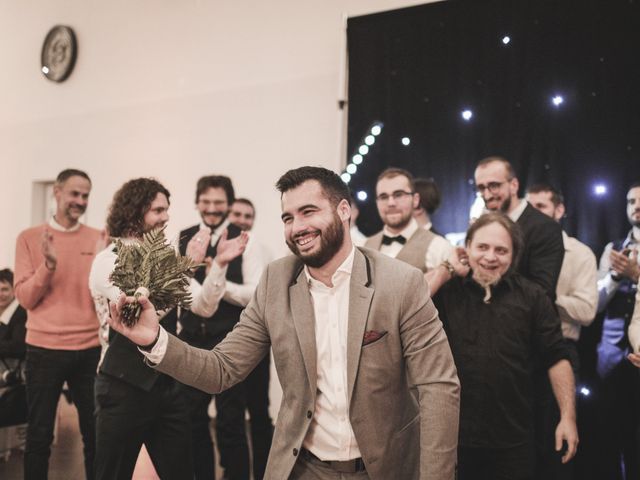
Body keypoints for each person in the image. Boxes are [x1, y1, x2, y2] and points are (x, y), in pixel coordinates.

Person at [108, 166, 461, 480]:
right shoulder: (277, 281)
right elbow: (222, 368)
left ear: (342, 211)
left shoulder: (400, 282)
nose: (297, 227)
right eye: (288, 218)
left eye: (308, 212)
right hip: (303, 467)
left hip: (383, 468)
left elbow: (438, 386)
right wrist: (154, 338)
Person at [89, 177, 247, 480]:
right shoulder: (107, 261)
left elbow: (203, 306)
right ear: (135, 212)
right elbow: (136, 311)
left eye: (167, 209)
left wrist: (221, 264)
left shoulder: (168, 261)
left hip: (169, 383)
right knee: (112, 473)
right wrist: (184, 268)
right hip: (122, 385)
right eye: (158, 210)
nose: (166, 217)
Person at [427, 212, 578, 480]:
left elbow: (558, 358)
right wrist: (446, 268)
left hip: (514, 441)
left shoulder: (533, 297)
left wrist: (568, 417)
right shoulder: (448, 292)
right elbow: (408, 302)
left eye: (501, 250)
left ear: (514, 255)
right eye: (482, 247)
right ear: (467, 248)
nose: (490, 257)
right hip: (450, 439)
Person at [176, 176, 271, 480]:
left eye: (218, 202)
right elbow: (178, 289)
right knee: (192, 419)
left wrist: (216, 276)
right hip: (191, 340)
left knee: (230, 423)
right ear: (197, 203)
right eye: (206, 201)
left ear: (229, 205)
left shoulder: (247, 241)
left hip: (230, 342)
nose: (212, 208)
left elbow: (254, 294)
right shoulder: (184, 237)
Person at [14, 168, 101, 480]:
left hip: (89, 351)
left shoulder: (98, 238)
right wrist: (48, 266)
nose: (80, 201)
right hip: (43, 350)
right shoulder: (28, 238)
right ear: (57, 192)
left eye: (85, 195)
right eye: (74, 194)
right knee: (38, 436)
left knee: (96, 436)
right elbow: (24, 298)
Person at [593, 182, 640, 480]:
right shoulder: (613, 248)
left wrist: (636, 274)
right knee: (611, 434)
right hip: (611, 358)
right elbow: (593, 304)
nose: (637, 206)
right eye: (631, 201)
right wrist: (614, 276)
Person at [474, 157, 564, 300]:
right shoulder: (482, 226)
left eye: (494, 185)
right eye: (481, 188)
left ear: (514, 185)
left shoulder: (545, 227)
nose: (487, 194)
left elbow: (542, 291)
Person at [366, 167, 452, 272]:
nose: (391, 203)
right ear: (377, 202)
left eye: (398, 195)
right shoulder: (364, 246)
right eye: (384, 197)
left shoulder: (439, 247)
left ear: (415, 200)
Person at [0, 268, 27, 427]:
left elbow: (19, 346)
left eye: (5, 289)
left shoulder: (20, 313)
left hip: (14, 377)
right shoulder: (4, 312)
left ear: (14, 290)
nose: (1, 294)